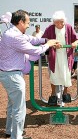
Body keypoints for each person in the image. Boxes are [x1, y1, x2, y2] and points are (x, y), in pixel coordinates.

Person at [0, 10, 59, 139]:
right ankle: (16, 136)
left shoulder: (12, 32)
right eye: (27, 23)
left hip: (9, 75)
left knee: (12, 105)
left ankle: (10, 131)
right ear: (20, 22)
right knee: (19, 109)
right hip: (13, 76)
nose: (28, 25)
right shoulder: (14, 36)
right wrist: (48, 44)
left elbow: (30, 38)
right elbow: (34, 50)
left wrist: (45, 39)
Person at [42, 10, 78, 106]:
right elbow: (44, 39)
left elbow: (77, 39)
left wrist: (75, 43)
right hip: (54, 56)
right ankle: (53, 94)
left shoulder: (69, 27)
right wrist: (53, 43)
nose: (60, 24)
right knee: (54, 75)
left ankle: (65, 93)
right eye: (57, 22)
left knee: (66, 74)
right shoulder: (50, 28)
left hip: (66, 55)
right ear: (54, 22)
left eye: (62, 22)